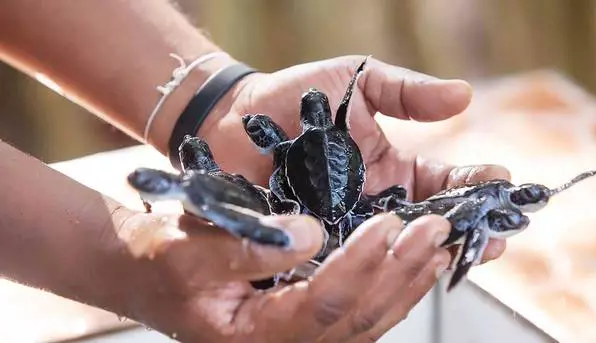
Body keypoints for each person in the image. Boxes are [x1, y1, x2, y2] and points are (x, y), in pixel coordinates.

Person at [0, 1, 510, 342]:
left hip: (284, 193)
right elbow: (276, 155)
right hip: (297, 193)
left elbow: (272, 150)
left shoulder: (285, 147)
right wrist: (119, 254)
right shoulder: (297, 145)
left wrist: (214, 97)